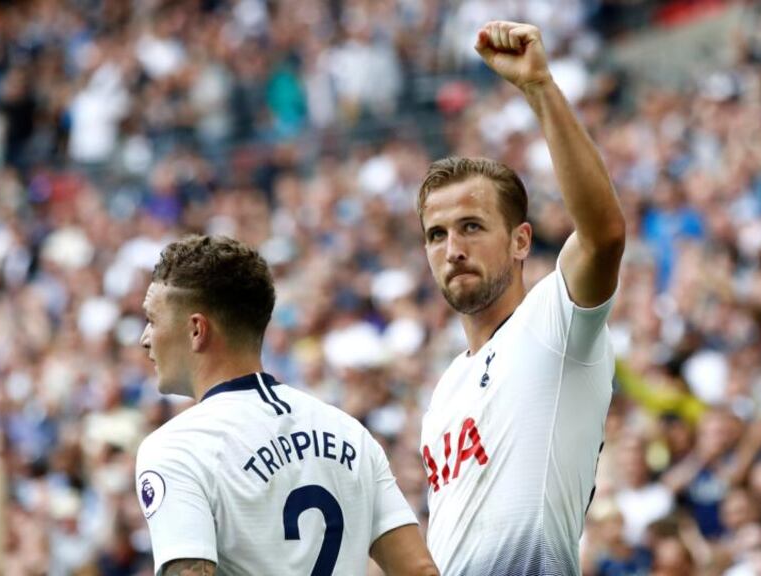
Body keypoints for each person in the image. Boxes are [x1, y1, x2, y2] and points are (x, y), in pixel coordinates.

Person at [417, 21, 625, 575]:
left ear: (520, 241)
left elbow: (603, 233)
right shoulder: (443, 393)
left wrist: (540, 89)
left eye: (471, 227)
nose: (452, 248)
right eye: (437, 235)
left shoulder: (554, 324)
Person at [135, 235, 438, 576]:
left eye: (152, 319)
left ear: (196, 330)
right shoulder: (350, 432)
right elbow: (420, 570)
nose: (144, 338)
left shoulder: (175, 448)